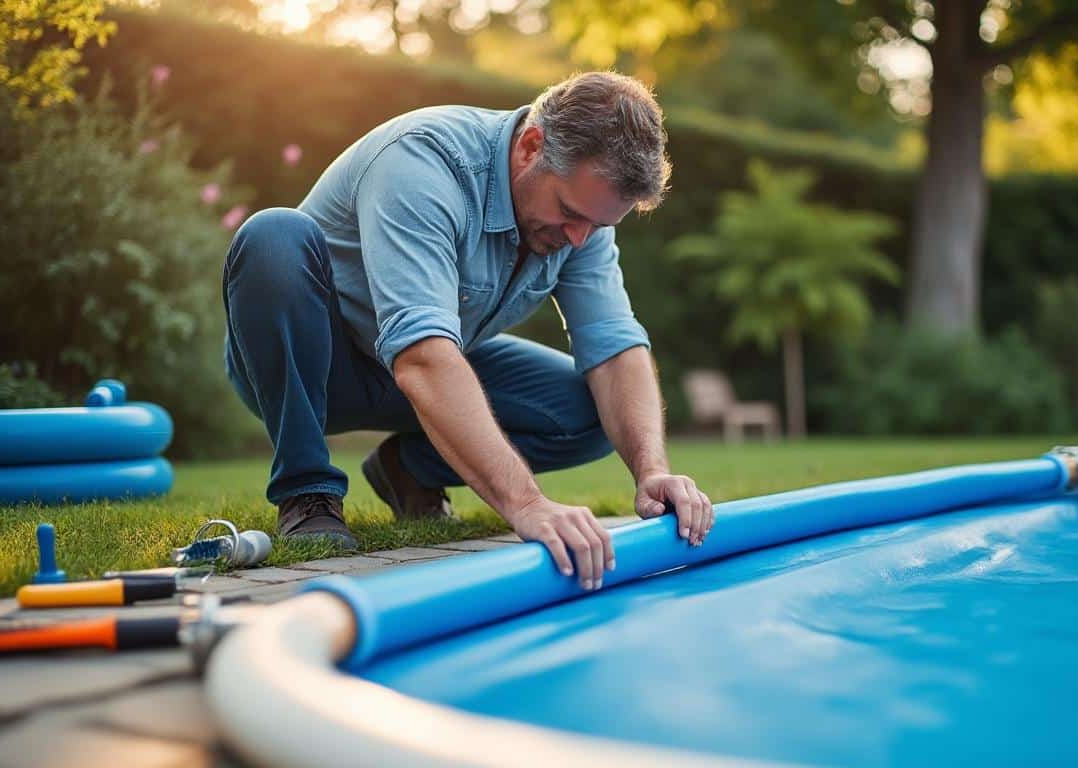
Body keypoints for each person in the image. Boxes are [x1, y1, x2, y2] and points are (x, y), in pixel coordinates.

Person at [221, 71, 714, 591]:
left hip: (422, 371)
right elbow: (422, 354)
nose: (579, 238)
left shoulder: (581, 222)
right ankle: (307, 493)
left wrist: (651, 470)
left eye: (597, 225)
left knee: (593, 411)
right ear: (531, 145)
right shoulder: (422, 163)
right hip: (320, 368)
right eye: (570, 213)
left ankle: (410, 470)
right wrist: (525, 504)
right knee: (274, 236)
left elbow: (616, 348)